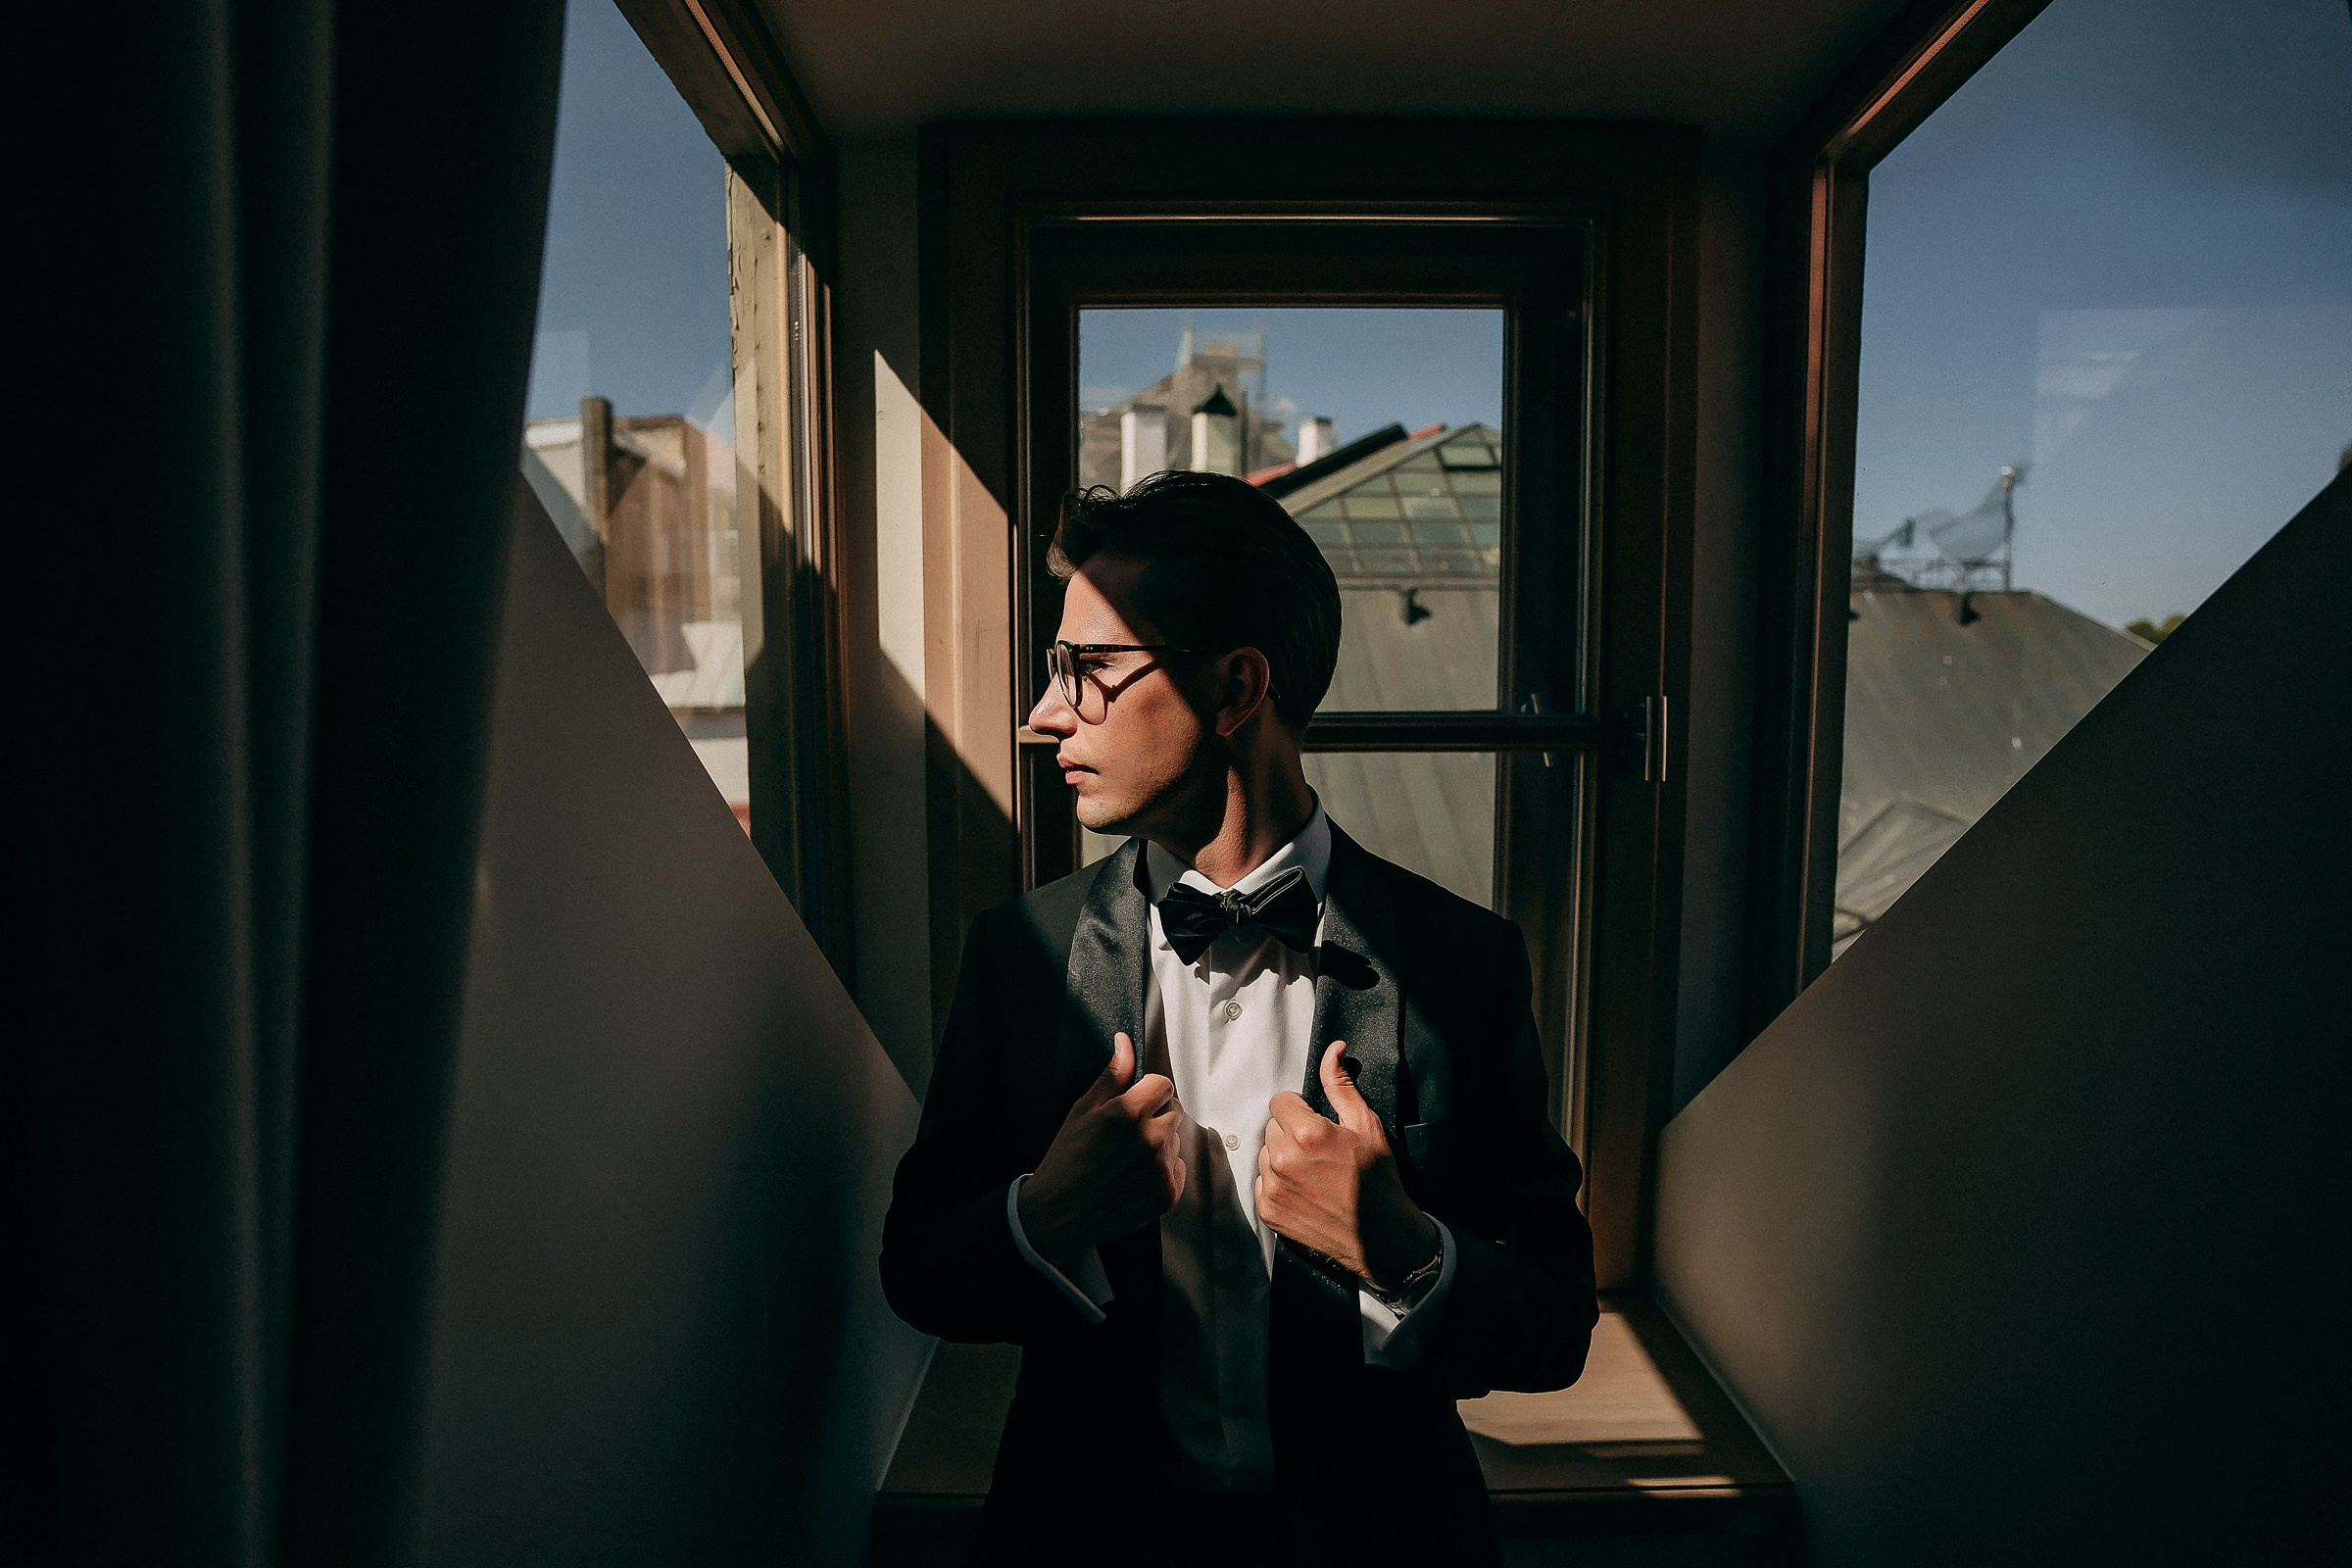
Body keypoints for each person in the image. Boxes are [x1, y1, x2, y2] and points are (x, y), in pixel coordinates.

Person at [880, 469, 1595, 1564]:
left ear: (1236, 686)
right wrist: (1045, 1210)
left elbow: (1557, 1320)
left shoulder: (1464, 963)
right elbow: (916, 1266)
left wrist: (1406, 1251)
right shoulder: (1018, 956)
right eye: (1051, 667)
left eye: (1089, 669)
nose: (1042, 711)